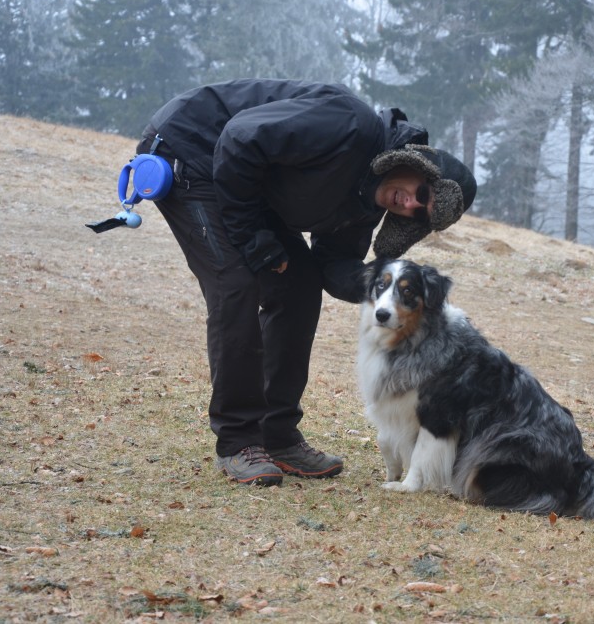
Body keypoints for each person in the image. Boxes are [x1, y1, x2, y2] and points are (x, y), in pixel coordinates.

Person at [133, 78, 476, 486]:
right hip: (191, 149)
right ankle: (238, 440)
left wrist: (382, 290)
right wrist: (252, 241)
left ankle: (277, 435)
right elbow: (240, 139)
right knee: (237, 285)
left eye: (423, 214)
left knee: (299, 286)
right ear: (420, 165)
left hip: (246, 185)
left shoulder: (367, 204)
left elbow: (332, 263)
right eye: (423, 192)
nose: (412, 204)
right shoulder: (351, 125)